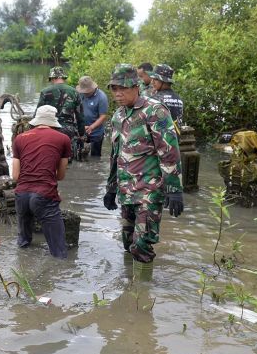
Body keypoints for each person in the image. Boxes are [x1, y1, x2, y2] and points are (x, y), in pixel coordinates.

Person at [103, 64, 184, 266]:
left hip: (149, 191)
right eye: (114, 89)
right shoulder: (118, 116)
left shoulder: (155, 110)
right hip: (126, 191)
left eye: (123, 88)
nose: (118, 93)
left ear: (136, 86)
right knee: (127, 242)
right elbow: (116, 155)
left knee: (142, 244)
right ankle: (129, 288)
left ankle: (144, 291)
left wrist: (174, 189)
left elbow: (169, 151)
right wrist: (111, 188)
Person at [12, 105, 71, 258]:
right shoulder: (63, 139)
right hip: (44, 194)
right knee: (59, 253)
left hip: (21, 195)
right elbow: (60, 175)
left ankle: (23, 267)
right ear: (53, 122)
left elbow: (15, 175)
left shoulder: (19, 138)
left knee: (23, 245)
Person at [36, 66, 83, 161]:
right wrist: (81, 134)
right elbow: (80, 116)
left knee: (50, 158)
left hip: (50, 130)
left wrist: (33, 131)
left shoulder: (45, 92)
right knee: (66, 159)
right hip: (68, 130)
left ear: (52, 78)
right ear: (63, 78)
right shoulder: (74, 92)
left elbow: (38, 114)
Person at [77, 76, 109, 157]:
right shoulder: (80, 94)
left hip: (96, 132)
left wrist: (91, 127)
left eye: (87, 92)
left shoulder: (102, 97)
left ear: (93, 88)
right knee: (78, 155)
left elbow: (103, 116)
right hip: (81, 130)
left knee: (96, 157)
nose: (85, 93)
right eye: (83, 91)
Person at [148, 64, 183, 133]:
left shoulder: (154, 99)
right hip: (175, 141)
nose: (152, 82)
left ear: (164, 81)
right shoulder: (179, 99)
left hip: (160, 141)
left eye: (156, 79)